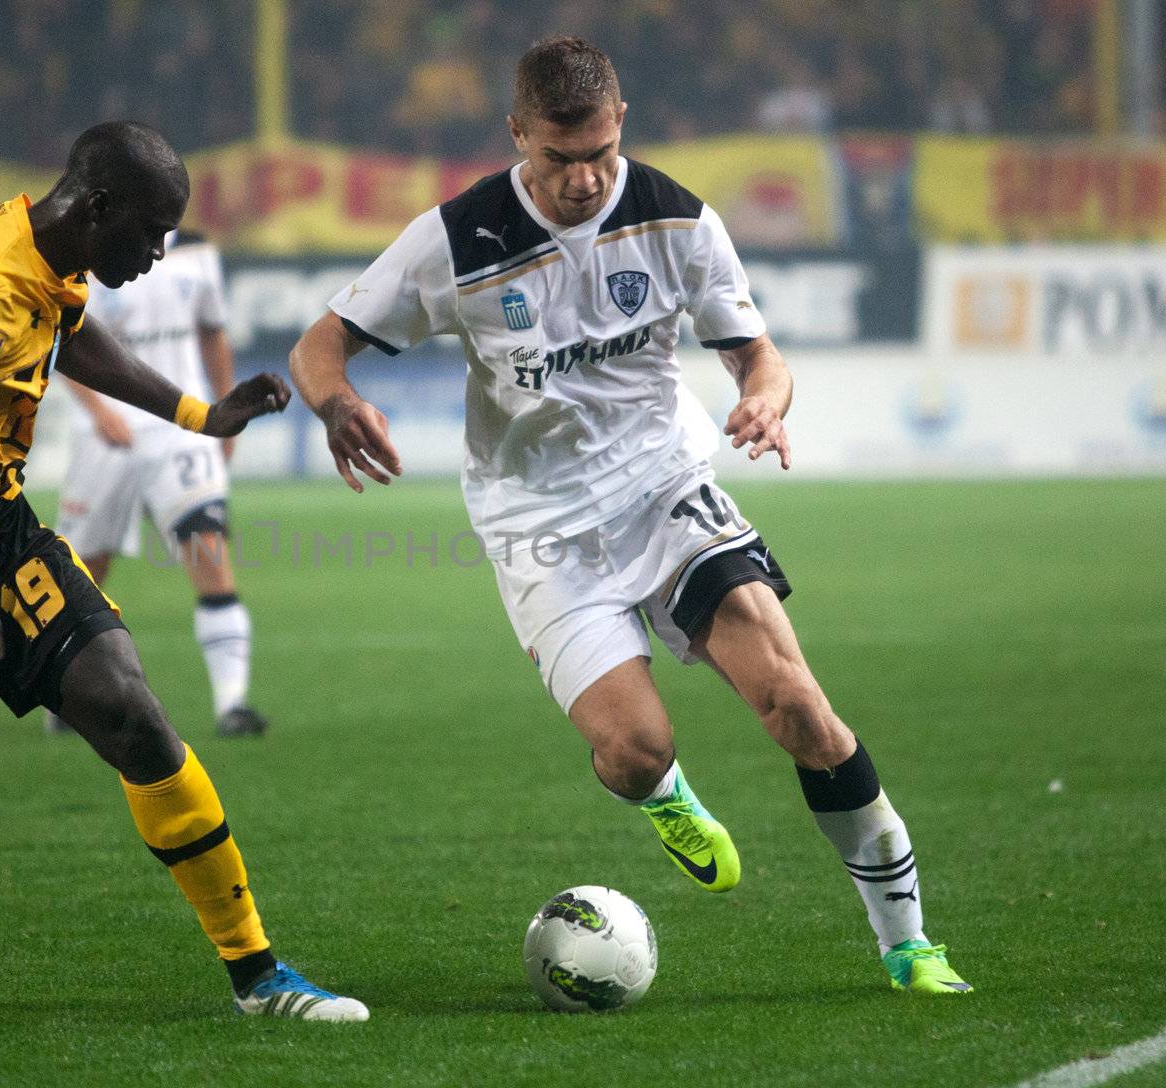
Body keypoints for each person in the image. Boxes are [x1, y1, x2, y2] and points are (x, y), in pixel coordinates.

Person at [289, 37, 971, 996]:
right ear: (518, 134)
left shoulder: (679, 220)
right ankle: (664, 794)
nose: (584, 178)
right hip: (539, 524)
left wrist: (768, 398)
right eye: (559, 159)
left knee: (800, 709)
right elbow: (320, 344)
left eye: (600, 153)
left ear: (621, 125)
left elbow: (759, 355)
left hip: (664, 487)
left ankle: (909, 945)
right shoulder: (456, 239)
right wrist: (336, 403)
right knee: (633, 746)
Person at [0, 121, 367, 1021]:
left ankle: (259, 976)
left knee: (132, 712)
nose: (160, 255)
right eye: (151, 232)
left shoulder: (54, 256)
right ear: (98, 207)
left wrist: (201, 414)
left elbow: (67, 338)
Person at [48, 229, 266, 739]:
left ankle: (232, 704)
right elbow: (59, 337)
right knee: (86, 572)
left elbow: (213, 331)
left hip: (182, 431)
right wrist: (98, 410)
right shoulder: (87, 249)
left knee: (209, 555)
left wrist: (223, 407)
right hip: (107, 436)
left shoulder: (197, 250)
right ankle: (59, 693)